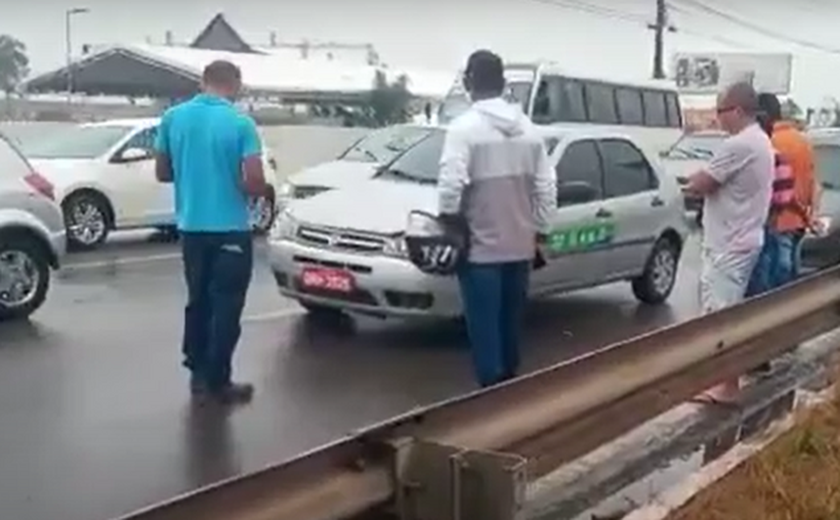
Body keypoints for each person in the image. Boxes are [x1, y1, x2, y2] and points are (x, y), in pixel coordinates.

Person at [437, 50, 556, 388]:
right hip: (519, 249)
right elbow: (547, 188)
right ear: (503, 84)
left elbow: (449, 185)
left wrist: (450, 224)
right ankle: (511, 391)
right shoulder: (530, 131)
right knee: (509, 329)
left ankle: (492, 400)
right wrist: (541, 233)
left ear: (468, 83)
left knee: (484, 331)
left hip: (479, 252)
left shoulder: (463, 130)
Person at [155, 60, 268, 404]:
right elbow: (254, 181)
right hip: (230, 230)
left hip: (190, 228)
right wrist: (253, 189)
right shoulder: (240, 123)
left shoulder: (172, 118)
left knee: (198, 301)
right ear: (234, 84)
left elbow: (162, 172)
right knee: (227, 305)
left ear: (203, 83)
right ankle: (219, 379)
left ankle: (197, 372)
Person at [684, 82, 774, 402]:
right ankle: (723, 380)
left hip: (729, 242)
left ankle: (726, 385)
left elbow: (702, 183)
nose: (717, 119)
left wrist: (692, 180)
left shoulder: (740, 145)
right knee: (726, 312)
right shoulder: (760, 140)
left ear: (736, 111)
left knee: (721, 317)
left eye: (719, 112)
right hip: (743, 237)